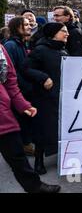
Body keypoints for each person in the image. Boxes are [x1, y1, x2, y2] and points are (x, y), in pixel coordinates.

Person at [0, 44, 60, 193]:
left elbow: (10, 80)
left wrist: (22, 104)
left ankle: (35, 186)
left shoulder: (1, 49)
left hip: (3, 115)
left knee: (17, 155)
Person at [24, 22, 69, 174]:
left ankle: (64, 158)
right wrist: (43, 77)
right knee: (42, 131)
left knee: (60, 129)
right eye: (63, 31)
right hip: (44, 98)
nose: (67, 34)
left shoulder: (63, 51)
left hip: (60, 97)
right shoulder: (40, 50)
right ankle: (38, 161)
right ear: (53, 34)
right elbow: (26, 69)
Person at [4, 17, 35, 155]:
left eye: (30, 24)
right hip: (18, 91)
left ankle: (26, 144)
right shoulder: (11, 46)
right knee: (21, 119)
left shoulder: (23, 44)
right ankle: (24, 146)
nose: (30, 26)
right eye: (26, 25)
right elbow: (10, 72)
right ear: (17, 28)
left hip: (25, 89)